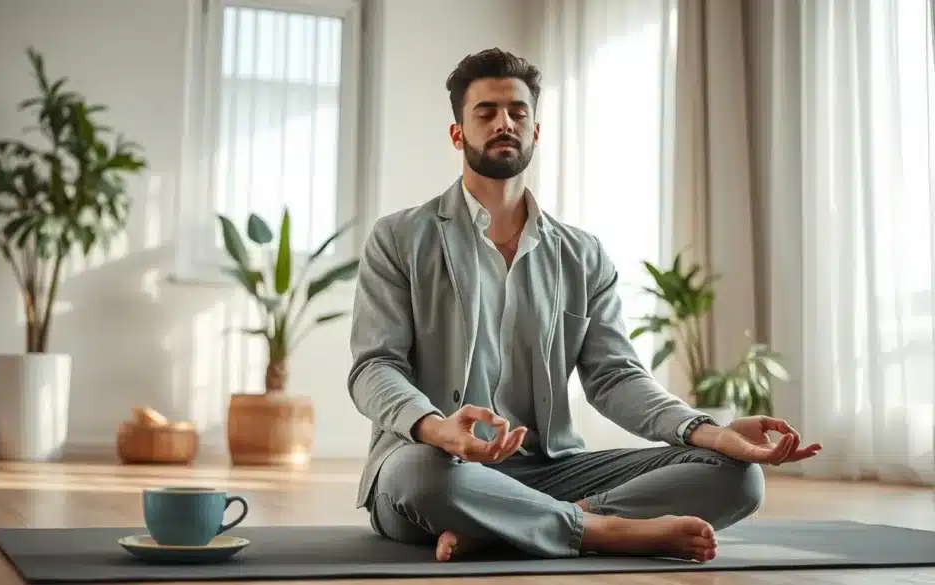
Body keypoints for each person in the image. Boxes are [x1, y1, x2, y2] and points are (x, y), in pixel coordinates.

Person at [346, 48, 822, 563]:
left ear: (535, 132)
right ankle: (602, 529)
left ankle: (523, 525)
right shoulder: (399, 238)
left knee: (737, 477)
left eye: (518, 112)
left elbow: (615, 377)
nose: (504, 123)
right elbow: (375, 367)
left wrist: (709, 432)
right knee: (418, 477)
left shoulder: (583, 254)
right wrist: (437, 428)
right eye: (486, 112)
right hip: (439, 465)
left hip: (549, 471)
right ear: (457, 134)